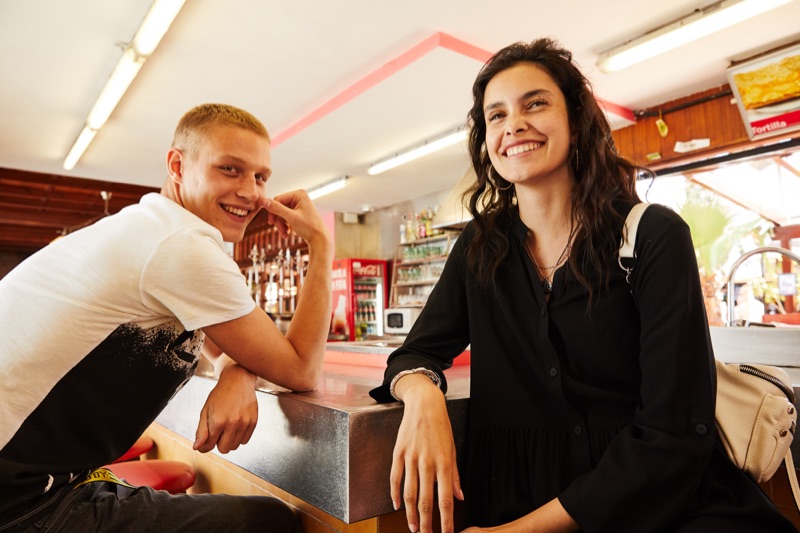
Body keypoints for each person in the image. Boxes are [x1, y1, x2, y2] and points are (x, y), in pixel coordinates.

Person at [369, 40, 796, 533]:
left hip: (659, 511)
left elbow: (674, 433)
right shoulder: (480, 246)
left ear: (576, 118)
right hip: (514, 501)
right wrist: (424, 398)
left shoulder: (653, 235)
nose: (514, 125)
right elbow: (415, 352)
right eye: (496, 115)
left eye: (535, 103)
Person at [0, 103, 334, 532]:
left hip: (46, 482)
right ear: (177, 165)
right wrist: (321, 245)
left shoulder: (154, 226)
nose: (251, 192)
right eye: (230, 169)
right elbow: (302, 368)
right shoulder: (181, 243)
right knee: (269, 524)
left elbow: (232, 345)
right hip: (20, 503)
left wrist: (239, 372)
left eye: (261, 176)